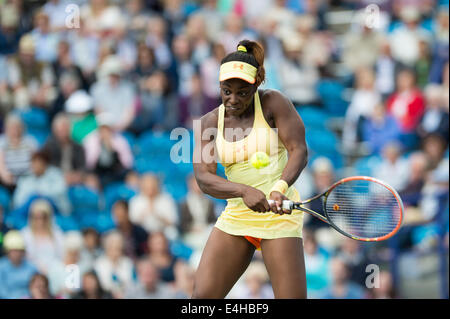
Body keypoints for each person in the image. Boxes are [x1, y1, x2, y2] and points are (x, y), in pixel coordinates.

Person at [192, 40, 308, 299]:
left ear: (256, 85)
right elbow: (203, 178)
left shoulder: (273, 102)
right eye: (226, 91)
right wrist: (244, 191)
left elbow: (299, 150)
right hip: (237, 216)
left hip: (279, 215)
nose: (233, 99)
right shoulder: (209, 122)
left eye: (243, 92)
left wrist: (280, 188)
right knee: (201, 300)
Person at [20, 198, 64, 274]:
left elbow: (62, 255)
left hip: (54, 271)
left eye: (44, 217)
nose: (40, 221)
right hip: (31, 272)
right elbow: (24, 258)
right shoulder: (25, 234)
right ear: (31, 217)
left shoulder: (57, 234)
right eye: (36, 218)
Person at [0, 230, 37, 299]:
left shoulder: (31, 267)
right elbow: (2, 291)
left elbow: (37, 287)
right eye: (13, 250)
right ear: (7, 251)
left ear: (23, 252)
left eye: (19, 250)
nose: (16, 253)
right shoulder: (1, 267)